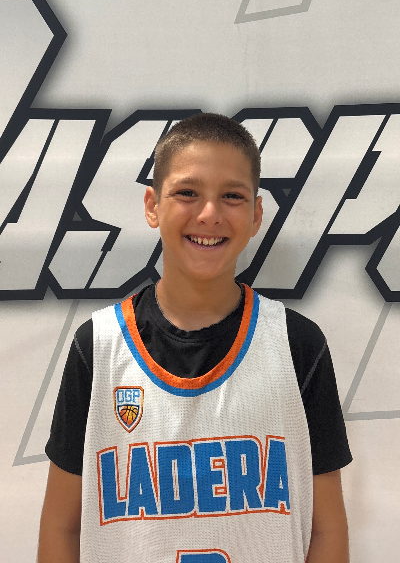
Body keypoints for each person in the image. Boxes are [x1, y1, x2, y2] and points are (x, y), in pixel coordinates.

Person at [38, 113, 352, 563]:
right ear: (152, 205)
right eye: (187, 193)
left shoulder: (297, 344)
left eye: (232, 196)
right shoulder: (98, 346)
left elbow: (326, 528)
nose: (209, 214)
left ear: (256, 214)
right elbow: (61, 526)